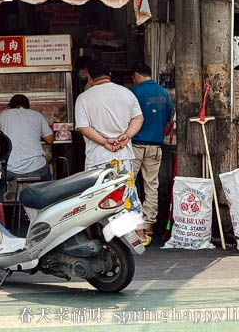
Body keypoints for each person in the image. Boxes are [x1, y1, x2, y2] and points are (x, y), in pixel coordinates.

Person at [74, 60, 149, 243]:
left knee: (99, 198)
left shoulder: (84, 97)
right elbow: (138, 117)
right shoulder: (126, 93)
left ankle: (107, 237)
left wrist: (104, 141)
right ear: (110, 75)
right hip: (123, 156)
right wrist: (126, 135)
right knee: (128, 195)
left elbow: (83, 127)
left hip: (97, 159)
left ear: (89, 77)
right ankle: (138, 235)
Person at [131, 62, 174, 237]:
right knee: (151, 185)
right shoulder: (164, 93)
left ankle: (134, 223)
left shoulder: (134, 92)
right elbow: (169, 118)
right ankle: (148, 224)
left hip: (135, 146)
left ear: (136, 75)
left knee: (128, 184)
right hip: (155, 146)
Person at [0, 94, 54, 183]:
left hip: (11, 170)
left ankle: (5, 196)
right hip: (37, 168)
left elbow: (0, 138)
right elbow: (50, 139)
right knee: (47, 185)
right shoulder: (37, 115)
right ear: (28, 106)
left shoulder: (3, 115)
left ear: (9, 106)